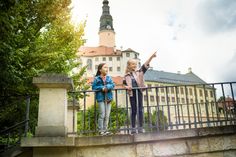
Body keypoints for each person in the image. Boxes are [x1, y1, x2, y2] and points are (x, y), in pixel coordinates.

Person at [123, 51, 157, 134]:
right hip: (132, 94)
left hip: (139, 92)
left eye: (135, 64)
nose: (135, 65)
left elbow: (145, 65)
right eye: (133, 64)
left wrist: (151, 57)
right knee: (134, 110)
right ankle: (133, 128)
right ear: (129, 66)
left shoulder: (139, 72)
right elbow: (123, 84)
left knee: (140, 110)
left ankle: (140, 127)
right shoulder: (126, 75)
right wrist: (126, 87)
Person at [92, 63, 115, 135]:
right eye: (105, 67)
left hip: (108, 98)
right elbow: (93, 87)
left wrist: (107, 87)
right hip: (101, 98)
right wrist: (101, 88)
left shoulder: (109, 78)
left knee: (107, 115)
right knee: (102, 114)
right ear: (100, 69)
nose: (107, 69)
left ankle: (106, 130)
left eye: (107, 67)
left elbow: (113, 85)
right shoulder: (96, 78)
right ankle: (101, 130)